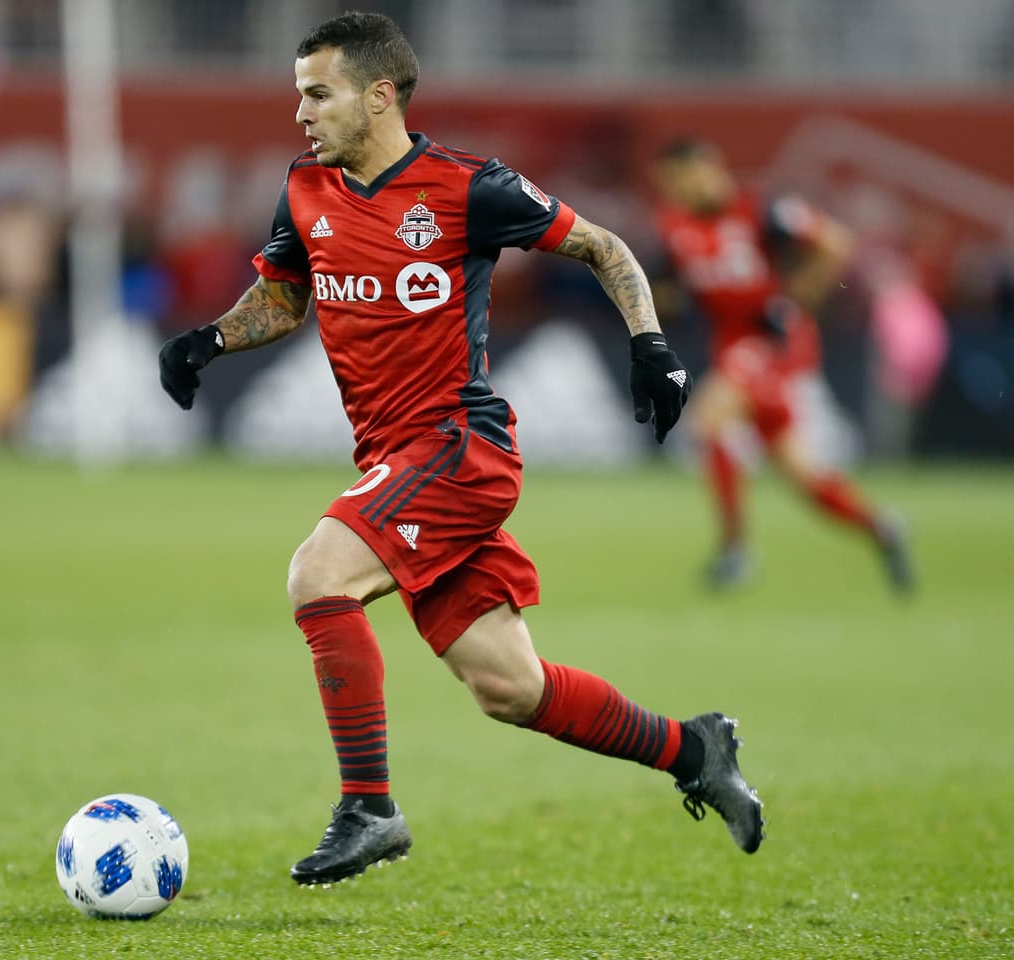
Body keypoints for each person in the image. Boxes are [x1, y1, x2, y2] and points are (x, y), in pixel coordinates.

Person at [160, 13, 763, 887]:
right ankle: (693, 749)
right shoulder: (307, 187)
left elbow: (604, 246)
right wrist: (209, 342)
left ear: (378, 96)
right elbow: (286, 297)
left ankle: (368, 807)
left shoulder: (467, 187)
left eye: (317, 94)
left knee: (319, 574)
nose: (301, 114)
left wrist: (652, 345)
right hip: (394, 460)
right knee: (509, 688)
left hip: (457, 446)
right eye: (298, 95)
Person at [650, 138, 914, 592]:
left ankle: (735, 550)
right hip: (732, 345)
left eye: (683, 177)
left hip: (774, 342)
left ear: (710, 169)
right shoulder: (675, 229)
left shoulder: (762, 210)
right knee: (801, 474)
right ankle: (881, 527)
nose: (678, 189)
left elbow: (835, 243)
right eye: (669, 183)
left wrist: (794, 300)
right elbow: (673, 290)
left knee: (708, 421)